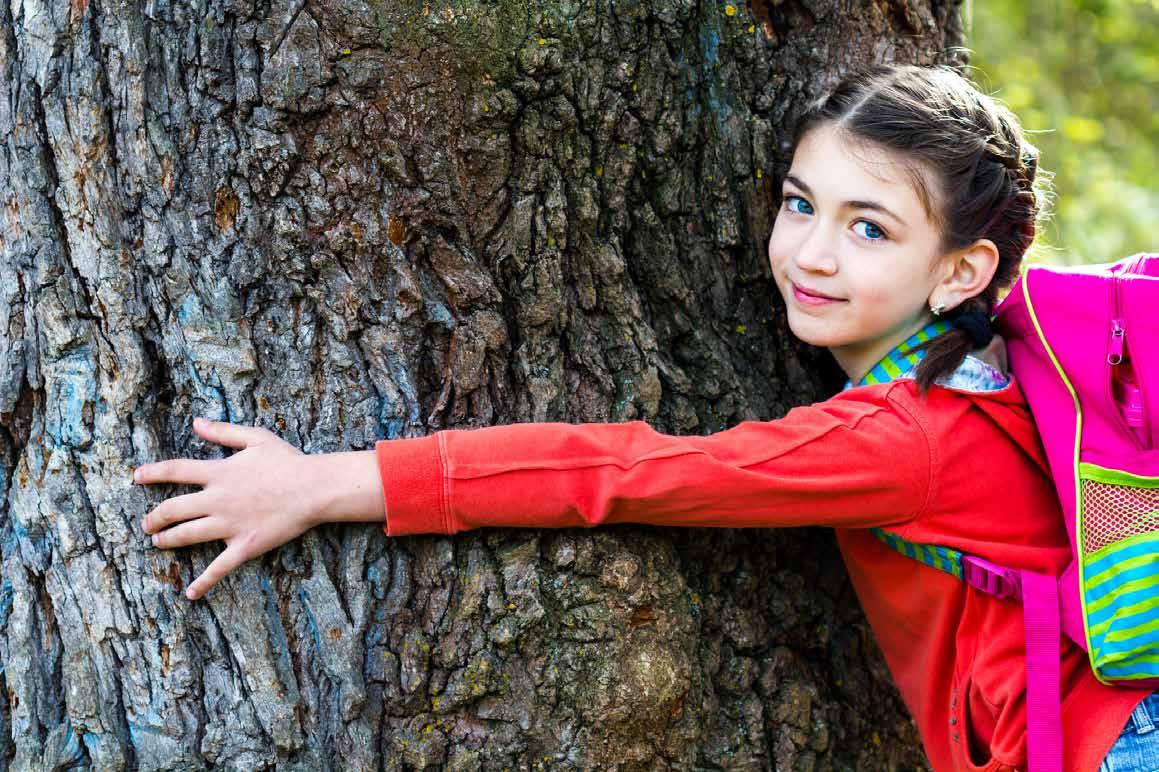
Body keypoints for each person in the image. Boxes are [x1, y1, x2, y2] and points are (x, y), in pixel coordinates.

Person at [131, 63, 1155, 770]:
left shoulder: (902, 440)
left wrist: (327, 483)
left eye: (869, 229)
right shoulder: (1020, 373)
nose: (810, 254)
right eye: (800, 203)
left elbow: (625, 470)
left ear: (961, 271)